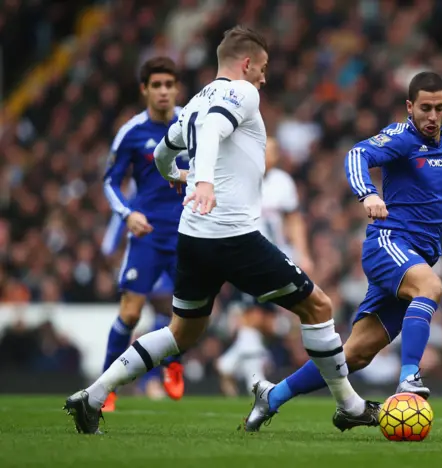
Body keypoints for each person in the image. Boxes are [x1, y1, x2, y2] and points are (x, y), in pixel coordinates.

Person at [64, 25, 377, 435]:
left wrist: (175, 173)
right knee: (318, 307)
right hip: (232, 234)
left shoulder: (192, 102)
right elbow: (213, 128)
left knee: (182, 330)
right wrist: (205, 181)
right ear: (246, 64)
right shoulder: (243, 92)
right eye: (262, 67)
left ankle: (92, 395)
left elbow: (163, 152)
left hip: (193, 235)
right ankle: (350, 405)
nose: (264, 77)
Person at [244, 71, 442, 431]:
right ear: (409, 107)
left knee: (354, 354)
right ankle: (409, 378)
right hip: (389, 243)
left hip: (416, 254)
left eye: (439, 108)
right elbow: (357, 154)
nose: (432, 117)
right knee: (430, 287)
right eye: (425, 108)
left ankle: (272, 397)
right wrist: (368, 193)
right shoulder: (400, 138)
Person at [99, 57, 188, 411]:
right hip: (148, 233)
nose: (164, 91)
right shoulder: (132, 132)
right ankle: (105, 385)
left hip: (187, 232)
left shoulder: (191, 123)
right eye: (157, 85)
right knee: (131, 313)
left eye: (169, 84)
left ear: (176, 88)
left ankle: (173, 363)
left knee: (187, 311)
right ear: (145, 90)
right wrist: (127, 213)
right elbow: (109, 182)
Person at [217, 137, 314, 395]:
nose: (270, 156)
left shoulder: (283, 182)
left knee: (273, 324)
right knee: (251, 318)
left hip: (277, 260)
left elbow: (294, 220)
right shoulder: (239, 180)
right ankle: (256, 382)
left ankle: (229, 363)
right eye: (265, 151)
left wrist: (302, 253)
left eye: (273, 151)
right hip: (246, 260)